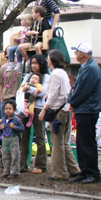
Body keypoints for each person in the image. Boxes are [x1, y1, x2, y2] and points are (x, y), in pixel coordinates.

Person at [39, 49, 80, 181]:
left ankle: (59, 172)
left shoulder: (55, 74)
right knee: (65, 142)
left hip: (57, 111)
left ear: (52, 60)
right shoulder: (63, 73)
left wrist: (44, 109)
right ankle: (74, 169)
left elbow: (53, 95)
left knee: (56, 143)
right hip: (66, 109)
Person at [68, 42, 101, 184]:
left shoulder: (91, 69)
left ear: (82, 54)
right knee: (82, 142)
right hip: (84, 108)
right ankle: (84, 170)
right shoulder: (86, 67)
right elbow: (77, 87)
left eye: (76, 52)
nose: (75, 55)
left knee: (87, 141)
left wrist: (73, 101)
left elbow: (83, 90)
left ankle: (92, 172)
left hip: (88, 109)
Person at [19, 55, 49, 174]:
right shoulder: (27, 76)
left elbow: (44, 93)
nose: (33, 65)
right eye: (32, 63)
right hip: (26, 108)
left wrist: (28, 89)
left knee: (39, 136)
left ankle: (41, 164)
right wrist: (30, 89)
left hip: (38, 108)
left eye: (36, 63)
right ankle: (22, 164)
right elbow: (21, 89)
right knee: (24, 136)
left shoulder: (46, 77)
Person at [0, 100, 25, 178]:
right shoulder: (3, 120)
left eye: (10, 109)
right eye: (6, 109)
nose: (8, 110)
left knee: (15, 155)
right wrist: (1, 128)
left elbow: (22, 129)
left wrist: (15, 127)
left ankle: (14, 172)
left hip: (13, 139)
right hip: (5, 139)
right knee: (5, 155)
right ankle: (6, 171)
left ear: (14, 110)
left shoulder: (17, 120)